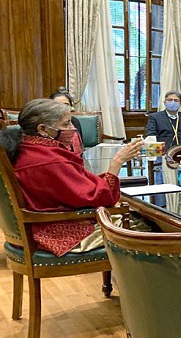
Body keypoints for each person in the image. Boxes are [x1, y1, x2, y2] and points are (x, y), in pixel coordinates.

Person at [0, 98, 143, 256]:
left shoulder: (28, 147)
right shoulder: (49, 160)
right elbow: (101, 198)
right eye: (66, 124)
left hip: (40, 228)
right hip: (59, 234)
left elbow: (78, 187)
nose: (73, 129)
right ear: (43, 129)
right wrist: (117, 162)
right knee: (146, 226)